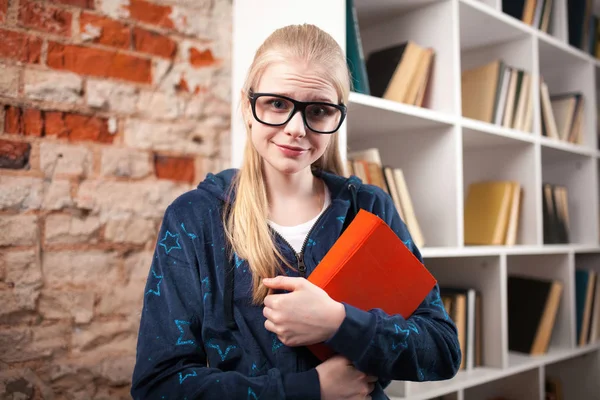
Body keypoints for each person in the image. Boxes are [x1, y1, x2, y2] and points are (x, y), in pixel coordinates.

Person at [130, 23, 461, 400]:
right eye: (277, 104)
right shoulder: (193, 219)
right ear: (247, 106)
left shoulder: (368, 207)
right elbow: (157, 386)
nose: (296, 128)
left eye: (318, 111)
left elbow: (442, 350)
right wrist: (311, 388)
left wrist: (338, 322)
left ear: (337, 117)